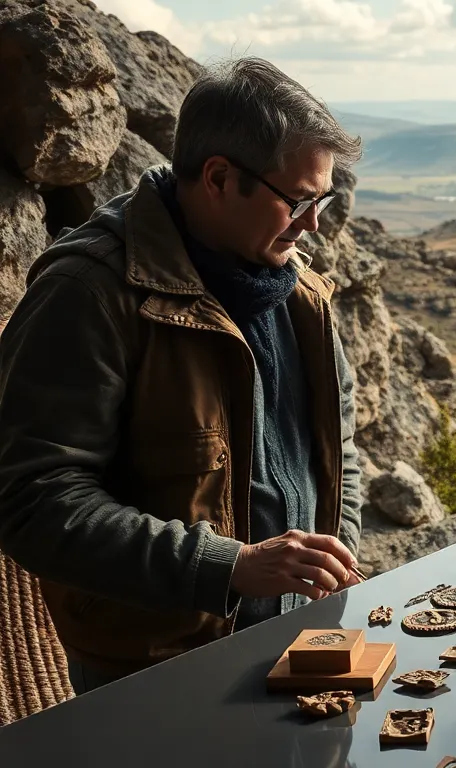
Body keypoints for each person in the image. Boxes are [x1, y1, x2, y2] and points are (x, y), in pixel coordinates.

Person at [0, 57, 365, 694]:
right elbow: (32, 499)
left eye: (322, 199)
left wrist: (331, 567)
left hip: (302, 646)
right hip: (153, 675)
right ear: (220, 178)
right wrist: (229, 567)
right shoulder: (88, 294)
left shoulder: (304, 295)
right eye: (299, 200)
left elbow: (342, 452)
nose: (314, 225)